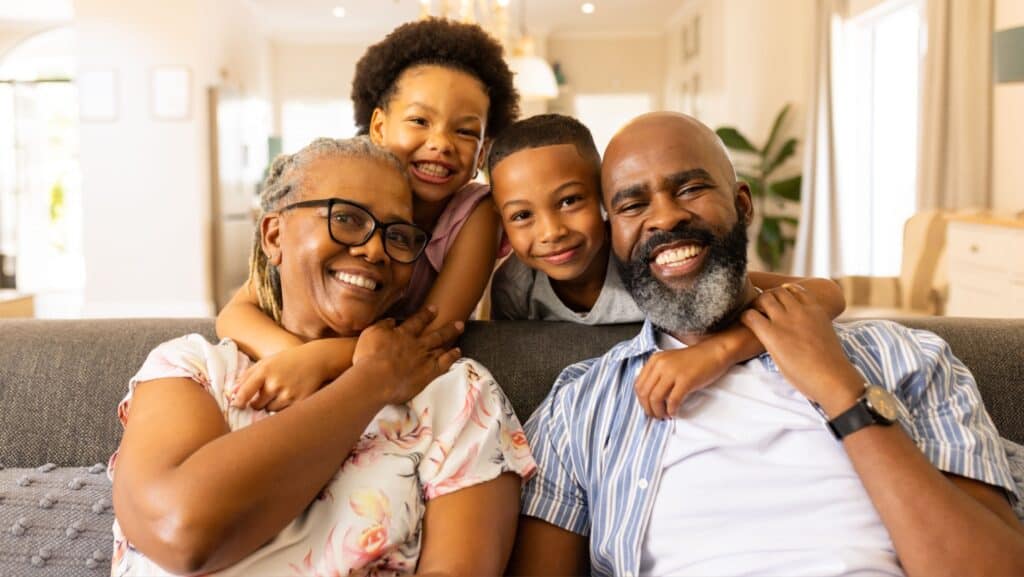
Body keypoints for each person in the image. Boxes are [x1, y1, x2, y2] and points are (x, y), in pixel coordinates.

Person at [508, 112, 1024, 577]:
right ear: (614, 234)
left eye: (689, 189)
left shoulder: (904, 357)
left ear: (742, 204)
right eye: (633, 204)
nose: (664, 218)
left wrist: (842, 392)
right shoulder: (581, 405)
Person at [110, 137, 535, 577]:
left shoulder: (453, 391)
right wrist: (369, 384)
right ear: (274, 235)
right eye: (347, 218)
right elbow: (179, 534)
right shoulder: (193, 370)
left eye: (397, 235)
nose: (374, 249)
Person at [216, 18, 517, 412]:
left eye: (464, 132)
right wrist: (292, 356)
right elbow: (235, 314)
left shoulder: (475, 215)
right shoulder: (344, 190)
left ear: (481, 154)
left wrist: (320, 360)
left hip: (397, 380)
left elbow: (431, 334)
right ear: (378, 126)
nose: (440, 143)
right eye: (419, 121)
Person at [488, 113, 846, 417]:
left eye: (569, 201)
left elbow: (826, 293)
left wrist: (719, 351)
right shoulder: (515, 288)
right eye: (522, 215)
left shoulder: (645, 263)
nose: (551, 232)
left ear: (606, 203)